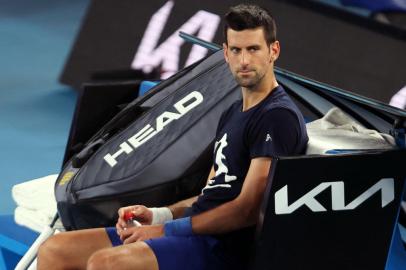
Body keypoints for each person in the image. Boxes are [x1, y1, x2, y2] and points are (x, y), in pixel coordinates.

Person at [37, 4, 308, 270]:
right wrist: (158, 215)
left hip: (222, 249)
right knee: (56, 250)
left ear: (274, 51)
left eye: (253, 49)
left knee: (106, 264)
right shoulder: (233, 111)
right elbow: (209, 194)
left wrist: (166, 230)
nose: (244, 60)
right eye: (236, 50)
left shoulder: (277, 117)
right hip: (194, 232)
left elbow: (247, 209)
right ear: (225, 54)